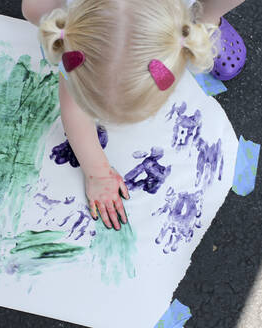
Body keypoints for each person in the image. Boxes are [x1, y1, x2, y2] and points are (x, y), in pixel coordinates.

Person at [21, 0, 244, 231]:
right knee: (37, 10)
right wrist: (97, 172)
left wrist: (207, 18)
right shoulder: (43, 10)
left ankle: (206, 19)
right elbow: (73, 109)